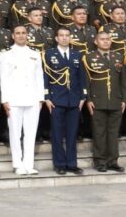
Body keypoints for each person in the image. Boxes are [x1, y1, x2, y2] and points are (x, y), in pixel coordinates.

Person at [0, 24, 44, 175]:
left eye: (23, 33)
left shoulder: (35, 53)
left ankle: (29, 164)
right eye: (17, 33)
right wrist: (5, 100)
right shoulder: (5, 54)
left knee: (31, 134)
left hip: (32, 98)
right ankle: (18, 164)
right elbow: (3, 79)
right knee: (15, 133)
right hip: (14, 99)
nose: (21, 35)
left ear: (27, 35)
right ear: (13, 36)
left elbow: (39, 77)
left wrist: (40, 99)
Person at [43, 27, 86, 175]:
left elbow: (82, 77)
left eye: (67, 35)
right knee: (57, 133)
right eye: (61, 35)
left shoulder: (76, 54)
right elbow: (45, 77)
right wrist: (47, 97)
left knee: (72, 134)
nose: (64, 38)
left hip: (74, 100)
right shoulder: (49, 54)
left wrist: (83, 96)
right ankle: (60, 164)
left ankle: (72, 163)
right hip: (56, 99)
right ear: (56, 38)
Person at [84, 30, 126, 172]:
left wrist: (124, 99)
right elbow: (86, 80)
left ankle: (113, 161)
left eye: (108, 39)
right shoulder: (89, 58)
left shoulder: (118, 57)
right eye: (102, 39)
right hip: (97, 100)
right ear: (96, 41)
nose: (106, 41)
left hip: (115, 100)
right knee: (99, 133)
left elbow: (123, 80)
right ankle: (100, 161)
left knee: (113, 133)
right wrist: (88, 99)